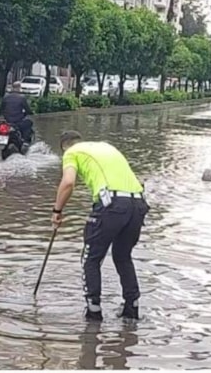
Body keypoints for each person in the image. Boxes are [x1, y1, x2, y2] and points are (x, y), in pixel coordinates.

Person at [51, 131, 149, 322]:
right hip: (138, 204)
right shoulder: (107, 147)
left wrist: (57, 211)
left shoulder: (72, 152)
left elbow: (68, 182)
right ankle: (131, 309)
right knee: (123, 256)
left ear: (64, 146)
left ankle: (93, 312)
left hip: (111, 204)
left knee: (91, 258)